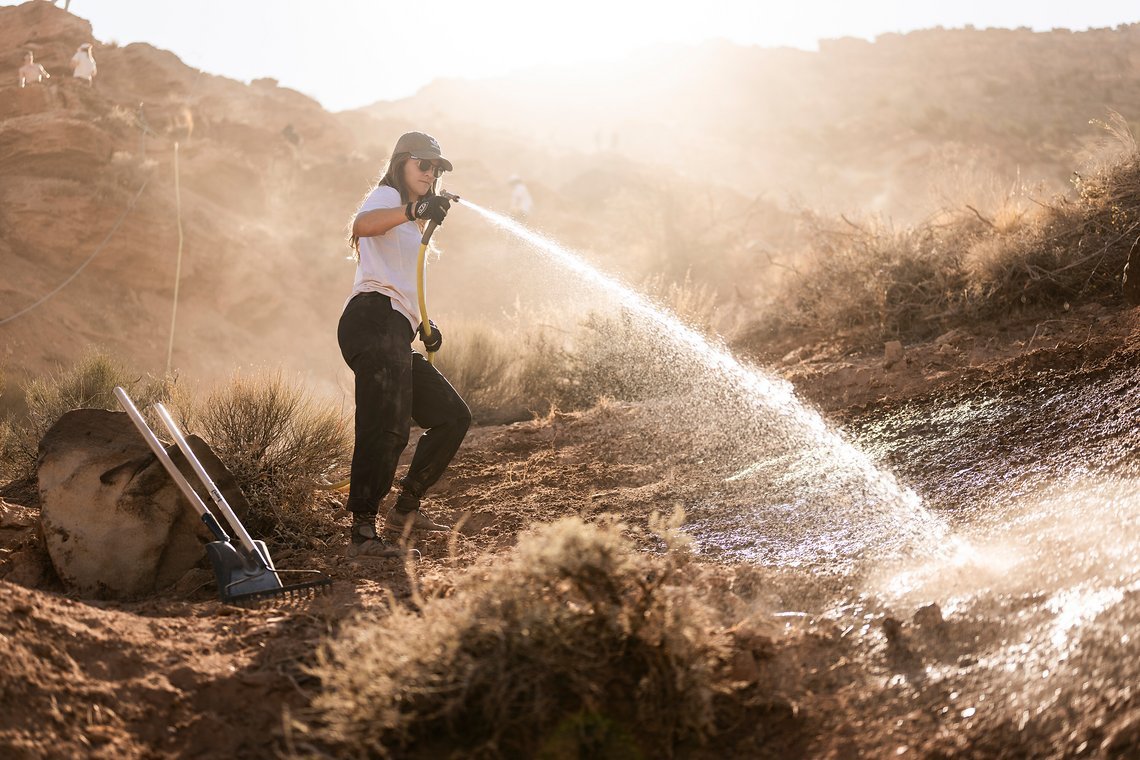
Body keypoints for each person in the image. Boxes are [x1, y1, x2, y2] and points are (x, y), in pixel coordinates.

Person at [338, 131, 471, 558]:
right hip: (371, 319)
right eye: (423, 164)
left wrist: (424, 325)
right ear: (401, 163)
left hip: (396, 327)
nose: (431, 173)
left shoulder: (409, 222)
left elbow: (402, 279)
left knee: (452, 416)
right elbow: (361, 226)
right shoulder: (385, 196)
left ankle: (406, 509)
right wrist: (413, 208)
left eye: (437, 168)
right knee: (387, 426)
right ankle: (362, 531)